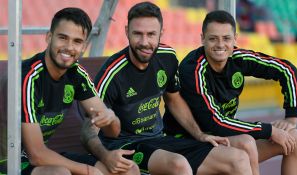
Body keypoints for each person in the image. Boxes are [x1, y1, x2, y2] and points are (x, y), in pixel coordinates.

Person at [81, 2, 257, 175]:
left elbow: (173, 99)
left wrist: (199, 134)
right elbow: (89, 128)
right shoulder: (112, 73)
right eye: (137, 34)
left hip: (160, 140)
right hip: (126, 146)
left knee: (238, 159)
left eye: (151, 34)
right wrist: (105, 156)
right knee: (178, 165)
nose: (144, 42)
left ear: (161, 34)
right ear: (127, 32)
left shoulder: (167, 57)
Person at [163, 10, 297, 175]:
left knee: (296, 139)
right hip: (189, 144)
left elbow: (287, 69)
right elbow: (216, 122)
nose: (220, 45)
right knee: (245, 143)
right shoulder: (193, 69)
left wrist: (292, 116)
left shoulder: (238, 58)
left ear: (235, 39)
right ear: (202, 39)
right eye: (213, 38)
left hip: (224, 140)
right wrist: (270, 130)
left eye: (226, 38)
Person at [18, 7, 129, 175]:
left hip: (43, 159)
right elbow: (37, 155)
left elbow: (112, 132)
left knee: (127, 169)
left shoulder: (76, 74)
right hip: (10, 160)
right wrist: (88, 171)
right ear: (49, 37)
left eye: (77, 41)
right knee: (60, 173)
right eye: (63, 38)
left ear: (84, 46)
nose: (69, 47)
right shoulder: (29, 77)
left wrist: (111, 118)